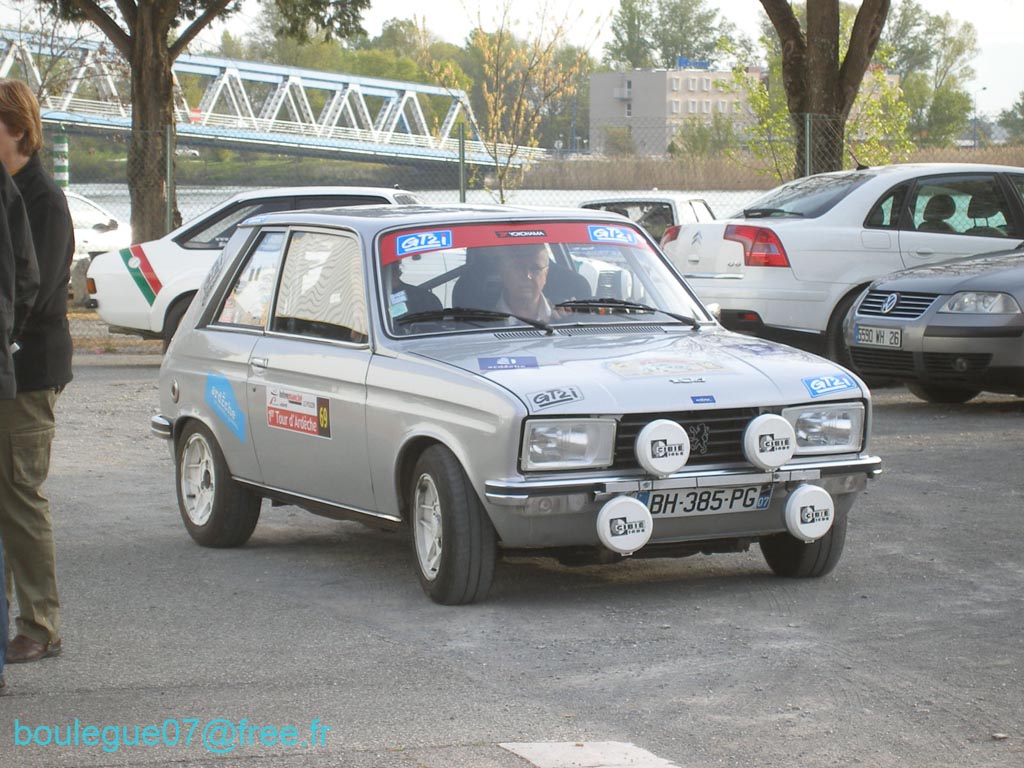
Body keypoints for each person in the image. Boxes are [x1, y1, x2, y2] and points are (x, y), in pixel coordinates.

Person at [0, 78, 73, 665]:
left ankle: (40, 624)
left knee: (20, 495)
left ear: (19, 131)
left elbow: (37, 294)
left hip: (28, 371)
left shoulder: (41, 198)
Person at [494, 244, 557, 323]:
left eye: (535, 269)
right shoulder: (479, 318)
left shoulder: (566, 314)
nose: (527, 276)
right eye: (518, 268)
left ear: (545, 274)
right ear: (503, 273)